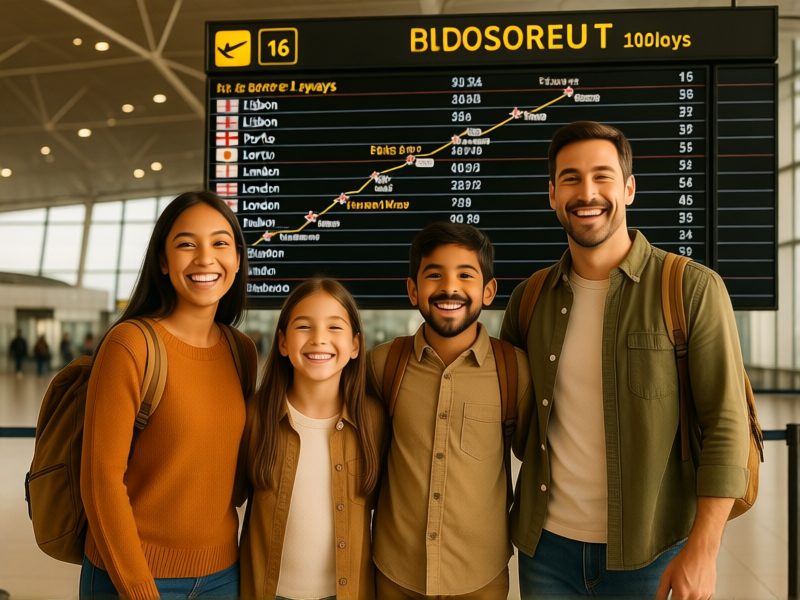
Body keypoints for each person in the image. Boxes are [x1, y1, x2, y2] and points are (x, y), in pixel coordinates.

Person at [501, 121, 751, 598]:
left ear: (629, 188)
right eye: (570, 178)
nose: (586, 192)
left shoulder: (691, 288)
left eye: (602, 176)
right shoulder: (529, 299)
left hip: (651, 552)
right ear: (552, 194)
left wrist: (703, 548)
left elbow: (726, 423)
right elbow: (509, 416)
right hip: (545, 551)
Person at [79, 190, 258, 599]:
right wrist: (139, 588)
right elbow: (101, 482)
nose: (205, 258)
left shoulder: (240, 350)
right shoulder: (131, 345)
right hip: (131, 576)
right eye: (186, 244)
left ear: (237, 259)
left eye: (220, 243)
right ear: (163, 261)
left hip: (222, 575)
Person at [366, 222, 531, 600]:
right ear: (413, 290)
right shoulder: (381, 365)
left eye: (465, 275)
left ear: (488, 291)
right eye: (434, 274)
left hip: (480, 578)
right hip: (394, 574)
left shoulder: (516, 372)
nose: (449, 287)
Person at [240, 278, 387, 600]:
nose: (319, 339)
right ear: (282, 342)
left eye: (335, 328)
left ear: (355, 345)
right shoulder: (253, 417)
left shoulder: (373, 419)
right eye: (304, 326)